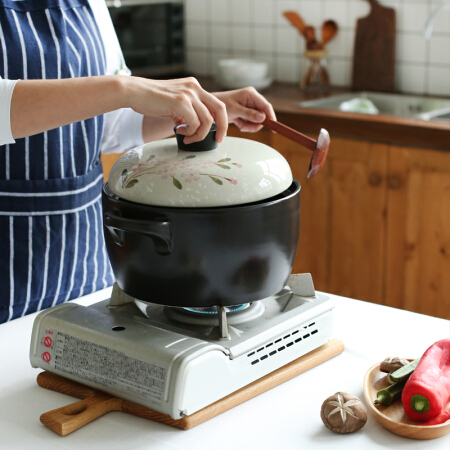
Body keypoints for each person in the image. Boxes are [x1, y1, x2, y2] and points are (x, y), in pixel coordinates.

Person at [0, 0, 276, 324]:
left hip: (83, 268)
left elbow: (111, 124)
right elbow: (118, 93)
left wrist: (209, 106)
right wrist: (123, 88)